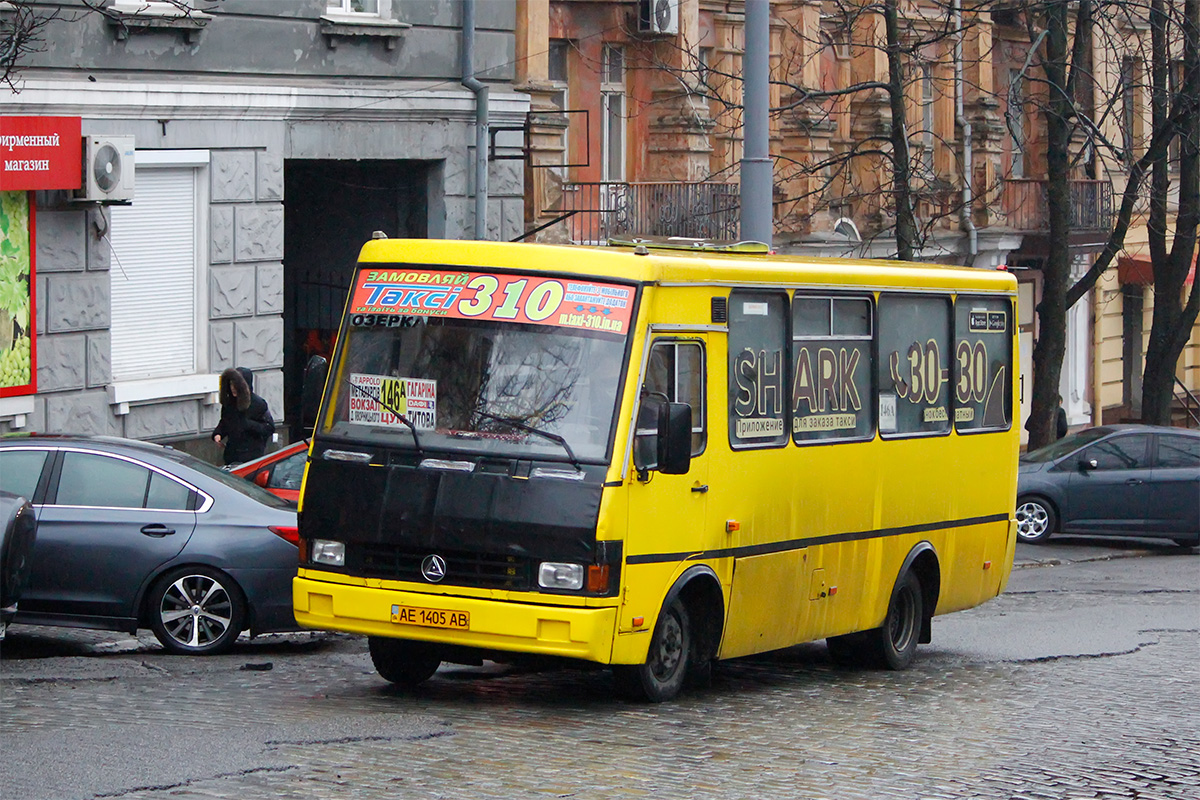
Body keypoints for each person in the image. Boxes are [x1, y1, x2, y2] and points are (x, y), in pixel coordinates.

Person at [213, 367, 274, 466]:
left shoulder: (258, 403)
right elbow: (225, 422)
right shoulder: (229, 403)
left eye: (236, 385)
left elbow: (269, 428)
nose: (233, 388)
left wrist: (248, 424)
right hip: (232, 455)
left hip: (252, 456)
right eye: (231, 384)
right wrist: (218, 433)